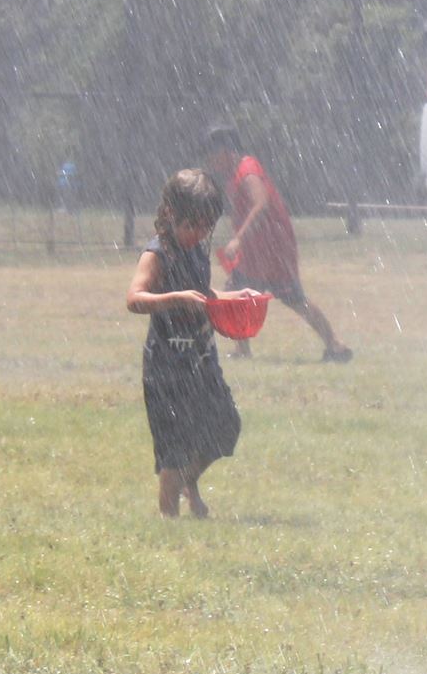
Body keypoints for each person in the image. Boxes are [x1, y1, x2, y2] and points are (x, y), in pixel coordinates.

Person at [127, 168, 248, 518]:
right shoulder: (157, 254)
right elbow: (134, 298)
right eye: (192, 226)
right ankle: (169, 520)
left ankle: (187, 483)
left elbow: (201, 294)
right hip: (167, 366)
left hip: (201, 360)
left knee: (225, 425)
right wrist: (174, 298)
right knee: (175, 446)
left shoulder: (196, 249)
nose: (199, 234)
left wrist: (229, 298)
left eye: (206, 227)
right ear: (170, 214)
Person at [201, 126, 351, 363]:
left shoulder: (247, 171)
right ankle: (243, 350)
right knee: (237, 294)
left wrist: (238, 238)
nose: (209, 160)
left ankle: (335, 345)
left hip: (272, 252)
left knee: (294, 299)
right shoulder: (236, 173)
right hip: (258, 252)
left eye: (212, 154)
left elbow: (261, 204)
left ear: (227, 151)